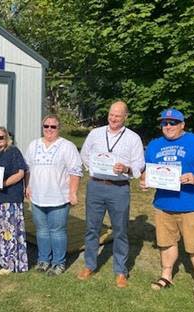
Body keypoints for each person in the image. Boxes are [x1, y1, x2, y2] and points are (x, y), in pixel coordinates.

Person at [78, 100, 145, 288]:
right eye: (111, 114)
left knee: (120, 230)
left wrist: (127, 168)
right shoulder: (95, 134)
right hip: (96, 187)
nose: (113, 118)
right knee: (92, 228)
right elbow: (84, 154)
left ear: (125, 117)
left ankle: (121, 271)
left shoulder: (133, 138)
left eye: (118, 115)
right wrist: (96, 167)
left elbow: (139, 164)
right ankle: (89, 265)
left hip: (119, 189)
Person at [140, 108, 194, 299]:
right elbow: (147, 171)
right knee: (165, 242)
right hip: (164, 204)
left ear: (182, 124)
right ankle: (166, 275)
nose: (168, 126)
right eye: (164, 123)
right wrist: (144, 181)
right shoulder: (154, 145)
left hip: (193, 204)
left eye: (173, 123)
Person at [25, 115, 83, 276]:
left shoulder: (67, 146)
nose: (49, 129)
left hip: (58, 197)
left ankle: (58, 263)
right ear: (42, 127)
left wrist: (72, 192)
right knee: (42, 231)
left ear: (59, 128)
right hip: (37, 196)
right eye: (46, 126)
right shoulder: (33, 145)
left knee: (57, 231)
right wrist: (27, 186)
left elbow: (75, 171)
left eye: (53, 127)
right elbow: (27, 168)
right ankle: (43, 260)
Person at [0, 126, 28, 275]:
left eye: (1, 137)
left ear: (7, 138)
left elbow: (21, 173)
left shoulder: (13, 151)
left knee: (8, 230)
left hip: (10, 196)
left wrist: (3, 184)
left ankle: (10, 263)